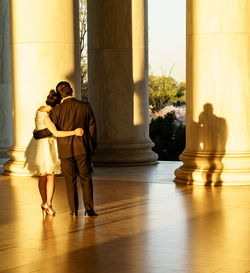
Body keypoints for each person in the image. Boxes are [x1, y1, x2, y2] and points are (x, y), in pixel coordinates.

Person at [34, 81, 97, 217]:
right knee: (86, 179)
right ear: (72, 91)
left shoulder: (57, 110)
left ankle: (74, 211)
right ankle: (89, 210)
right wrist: (92, 147)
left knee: (70, 181)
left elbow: (52, 131)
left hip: (65, 151)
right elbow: (92, 128)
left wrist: (37, 134)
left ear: (60, 95)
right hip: (83, 149)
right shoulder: (85, 106)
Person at [24, 90, 84, 216]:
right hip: (47, 146)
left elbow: (38, 128)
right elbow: (56, 133)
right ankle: (48, 204)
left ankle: (44, 202)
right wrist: (74, 132)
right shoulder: (47, 117)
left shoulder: (39, 109)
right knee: (50, 175)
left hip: (38, 144)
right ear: (57, 104)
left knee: (42, 175)